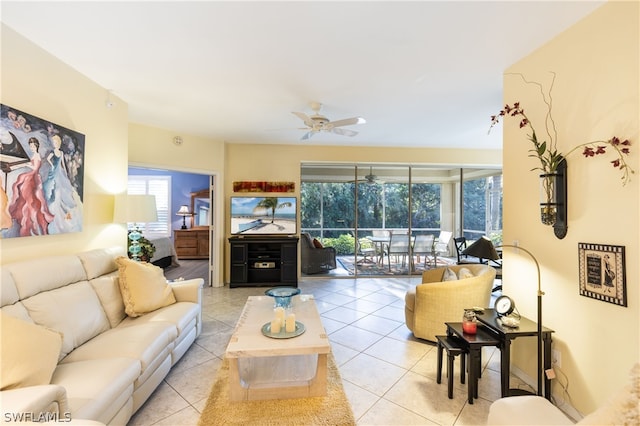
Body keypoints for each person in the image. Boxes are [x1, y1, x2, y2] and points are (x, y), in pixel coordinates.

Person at [8, 137, 54, 236]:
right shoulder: (34, 155)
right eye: (31, 146)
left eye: (33, 146)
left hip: (33, 177)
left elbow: (35, 168)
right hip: (33, 176)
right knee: (25, 195)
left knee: (29, 197)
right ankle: (23, 215)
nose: (32, 148)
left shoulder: (37, 155)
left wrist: (27, 165)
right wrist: (25, 164)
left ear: (36, 146)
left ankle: (30, 218)